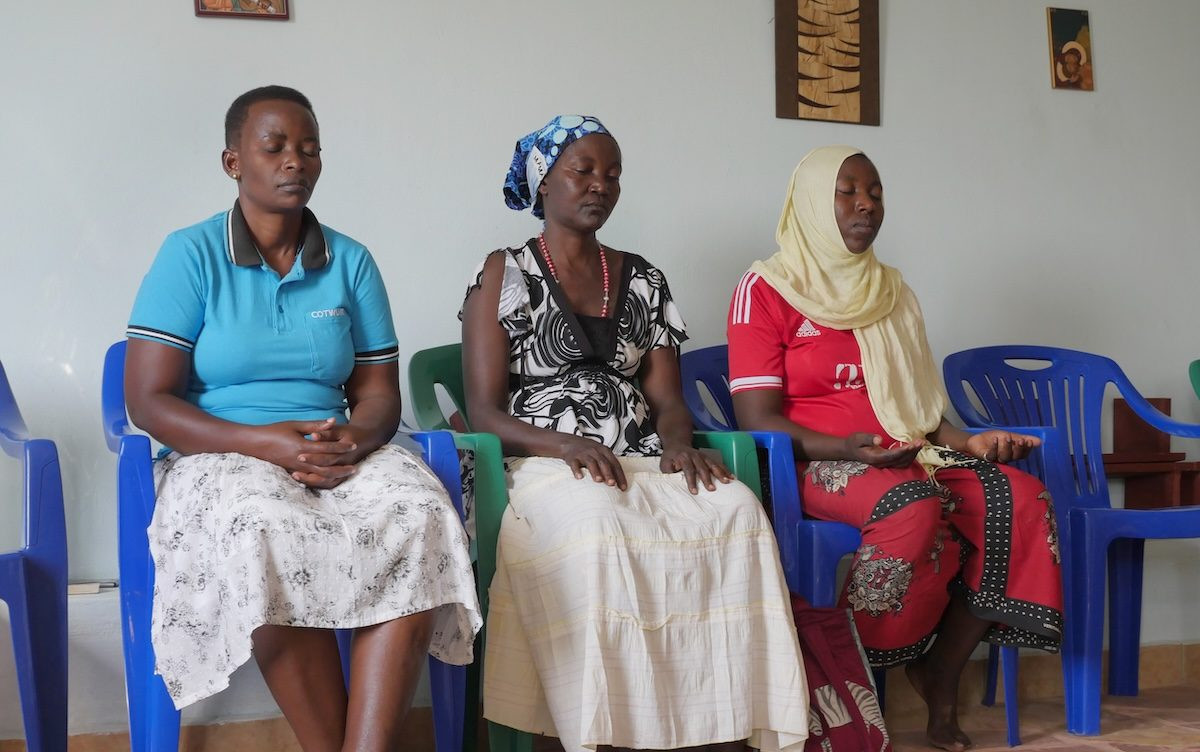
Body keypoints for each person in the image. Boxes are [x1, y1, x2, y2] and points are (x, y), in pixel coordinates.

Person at [124, 85, 481, 752]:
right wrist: (263, 444)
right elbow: (148, 401)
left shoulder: (350, 261)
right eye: (276, 147)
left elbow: (377, 393)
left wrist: (358, 435)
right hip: (220, 453)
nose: (296, 161)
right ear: (233, 162)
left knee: (419, 512)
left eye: (309, 148)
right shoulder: (190, 255)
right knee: (262, 527)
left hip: (333, 448)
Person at [460, 115, 809, 752]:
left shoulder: (644, 278)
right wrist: (565, 445)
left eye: (613, 174)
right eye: (583, 171)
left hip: (644, 456)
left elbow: (667, 399)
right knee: (598, 527)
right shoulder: (503, 272)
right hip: (545, 462)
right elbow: (483, 412)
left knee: (735, 509)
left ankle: (720, 725)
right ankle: (607, 730)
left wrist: (680, 444)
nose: (601, 185)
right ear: (542, 181)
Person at [726, 146, 1063, 751]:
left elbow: (923, 414)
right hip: (812, 461)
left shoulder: (892, 291)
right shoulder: (766, 289)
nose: (866, 204)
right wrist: (846, 449)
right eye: (847, 190)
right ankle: (848, 682)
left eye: (875, 192)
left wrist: (972, 442)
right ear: (809, 202)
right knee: (910, 505)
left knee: (1021, 499)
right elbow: (757, 419)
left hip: (905, 453)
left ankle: (940, 672)